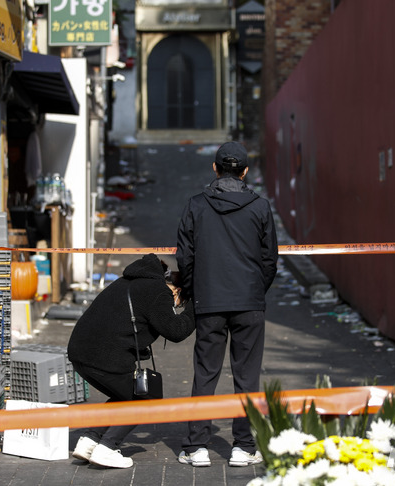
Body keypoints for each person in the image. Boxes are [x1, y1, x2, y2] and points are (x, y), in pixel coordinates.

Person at [176, 141, 278, 467]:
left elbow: (185, 257)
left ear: (215, 169)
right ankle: (244, 447)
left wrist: (193, 292)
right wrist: (255, 290)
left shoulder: (195, 206)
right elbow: (270, 260)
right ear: (245, 172)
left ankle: (196, 447)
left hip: (209, 302)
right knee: (247, 377)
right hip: (249, 301)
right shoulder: (260, 208)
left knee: (205, 373)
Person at [67, 253, 195, 468]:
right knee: (144, 399)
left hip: (81, 353)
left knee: (124, 395)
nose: (176, 306)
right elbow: (176, 330)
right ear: (178, 290)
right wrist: (195, 308)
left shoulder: (128, 281)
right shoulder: (158, 291)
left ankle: (89, 441)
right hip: (104, 358)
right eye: (180, 303)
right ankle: (107, 447)